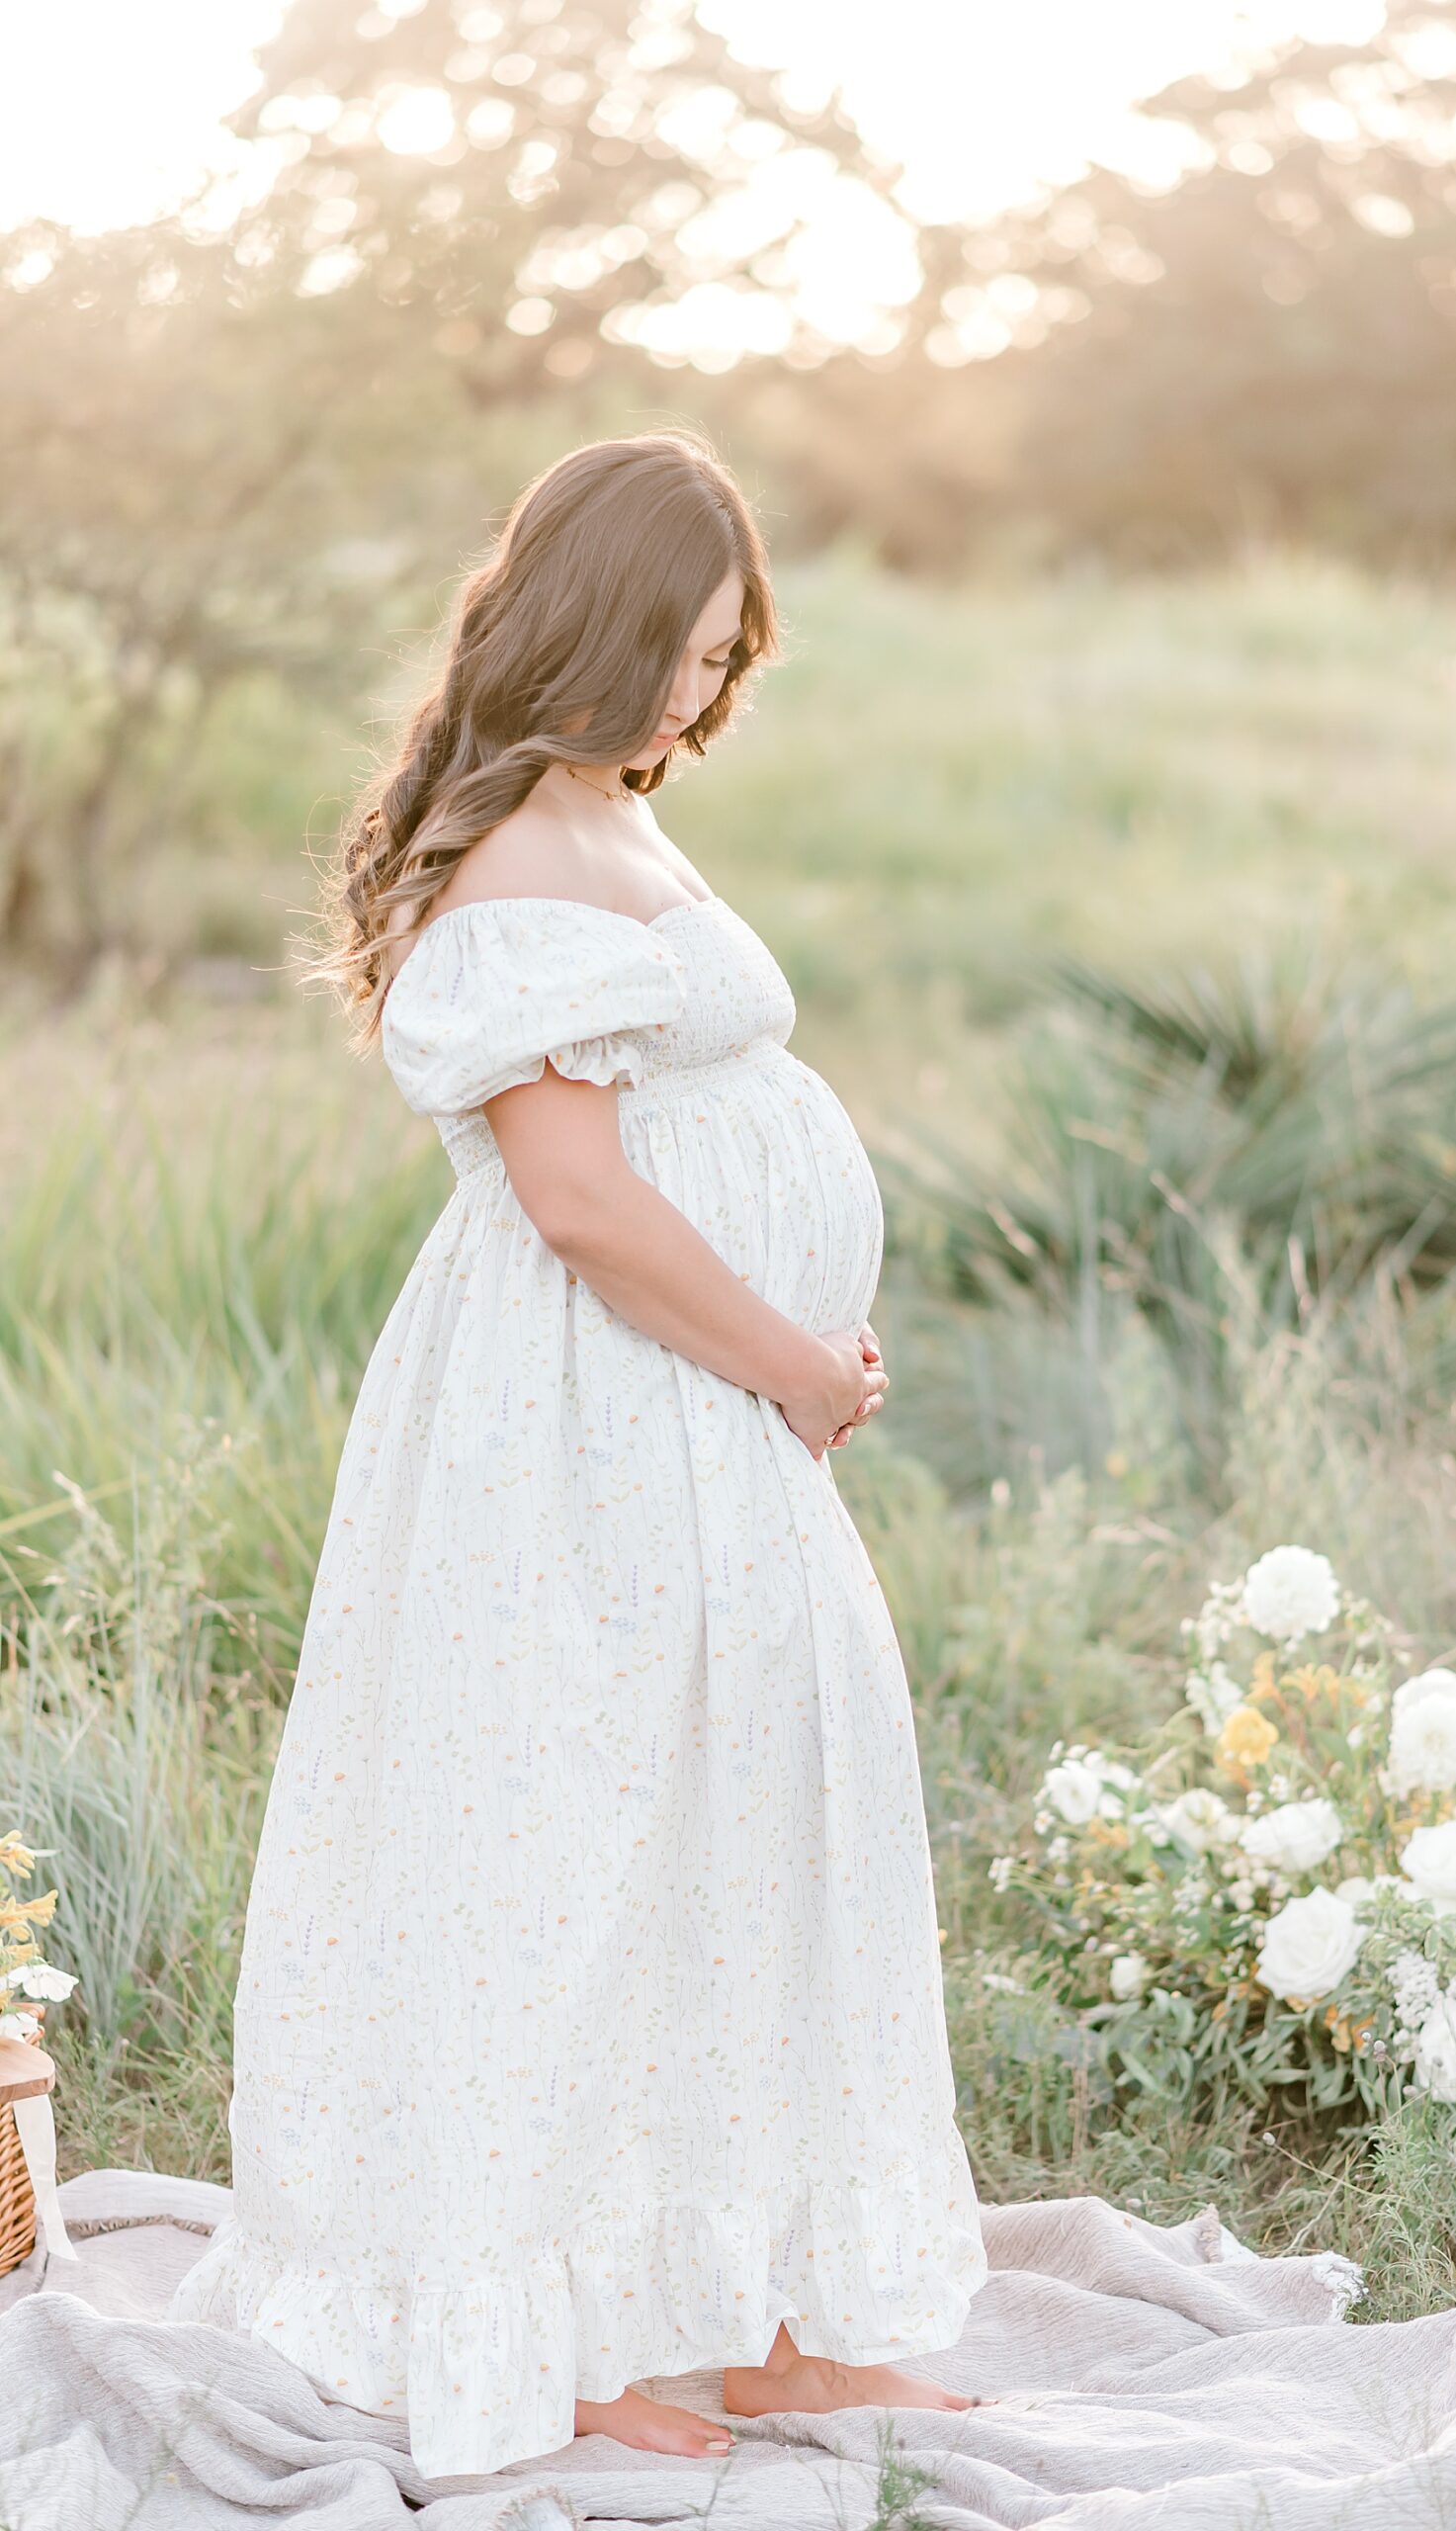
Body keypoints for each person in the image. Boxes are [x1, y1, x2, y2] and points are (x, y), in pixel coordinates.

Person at [166, 430, 989, 2480]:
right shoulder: (519, 862)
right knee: (584, 1853)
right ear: (595, 625)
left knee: (754, 1827)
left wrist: (798, 1344)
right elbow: (584, 1203)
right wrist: (793, 1360)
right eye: (687, 654)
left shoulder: (613, 814)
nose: (707, 699)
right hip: (594, 1422)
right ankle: (570, 2331)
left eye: (731, 664)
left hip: (702, 1408)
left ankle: (780, 2314)